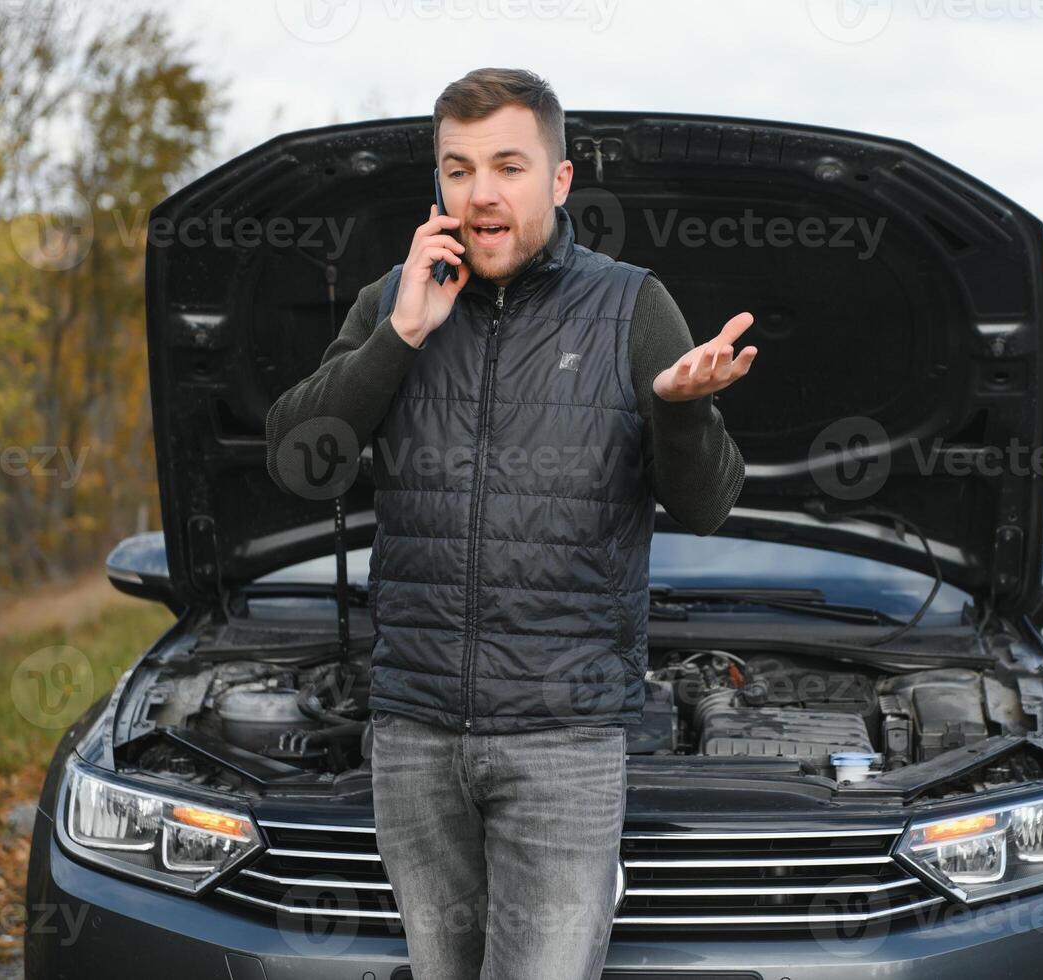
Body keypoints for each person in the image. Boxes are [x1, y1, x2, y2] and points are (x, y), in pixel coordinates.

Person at [264, 67, 756, 980]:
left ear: (559, 181)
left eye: (507, 165)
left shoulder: (630, 307)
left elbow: (706, 503)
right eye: (457, 169)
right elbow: (300, 464)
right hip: (412, 733)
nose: (480, 192)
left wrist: (680, 411)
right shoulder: (392, 301)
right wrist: (398, 335)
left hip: (564, 742)